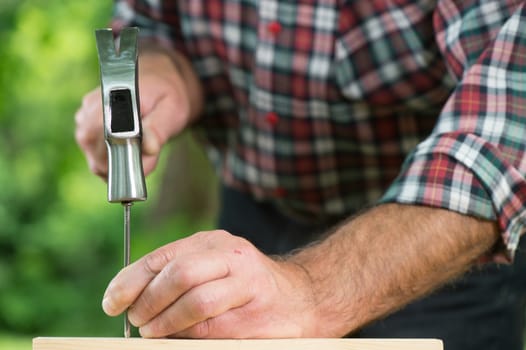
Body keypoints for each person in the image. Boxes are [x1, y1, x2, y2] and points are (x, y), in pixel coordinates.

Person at [75, 1, 526, 349]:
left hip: (434, 248)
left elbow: (505, 129)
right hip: (252, 231)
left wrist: (312, 291)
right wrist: (165, 72)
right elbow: (154, 25)